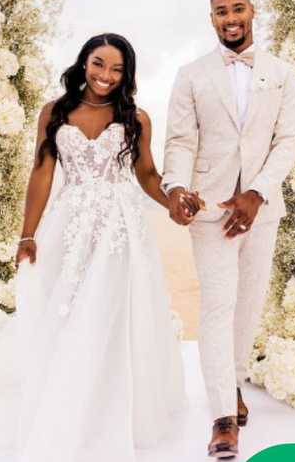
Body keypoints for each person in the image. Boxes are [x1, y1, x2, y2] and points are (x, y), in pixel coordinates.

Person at [12, 33, 187, 460]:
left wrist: (172, 202)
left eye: (116, 68)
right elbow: (41, 173)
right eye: (98, 64)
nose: (105, 75)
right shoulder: (54, 112)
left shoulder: (137, 118)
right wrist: (28, 233)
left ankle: (114, 403)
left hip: (119, 224)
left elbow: (147, 175)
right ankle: (71, 396)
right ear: (83, 62)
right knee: (69, 308)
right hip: (69, 222)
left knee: (112, 308)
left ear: (127, 74)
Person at [162, 0, 295, 458]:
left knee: (249, 305)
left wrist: (257, 194)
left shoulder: (283, 74)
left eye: (237, 8)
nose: (230, 18)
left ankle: (233, 383)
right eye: (221, 11)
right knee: (218, 307)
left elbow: (287, 141)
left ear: (252, 11)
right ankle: (223, 416)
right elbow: (179, 140)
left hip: (261, 212)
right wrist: (176, 188)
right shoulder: (191, 74)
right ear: (212, 19)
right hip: (210, 211)